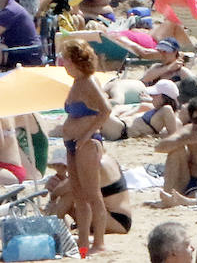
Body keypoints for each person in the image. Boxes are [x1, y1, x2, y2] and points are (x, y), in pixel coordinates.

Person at [59, 39, 110, 256]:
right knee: (79, 197)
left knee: (92, 195)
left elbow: (106, 110)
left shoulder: (89, 81)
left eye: (65, 59)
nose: (63, 63)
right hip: (73, 144)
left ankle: (99, 243)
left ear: (73, 60)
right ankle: (83, 246)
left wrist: (87, 135)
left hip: (87, 144)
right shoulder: (77, 82)